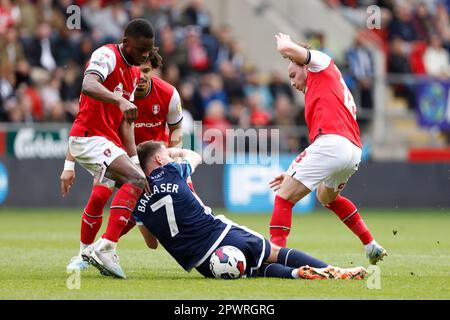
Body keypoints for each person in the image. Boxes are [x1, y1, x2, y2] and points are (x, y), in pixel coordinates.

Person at [131, 141, 368, 280]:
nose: (169, 157)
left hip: (202, 262)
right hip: (219, 234)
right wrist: (177, 152)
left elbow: (152, 244)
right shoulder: (172, 171)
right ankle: (331, 271)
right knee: (273, 251)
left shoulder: (137, 202)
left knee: (255, 269)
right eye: (165, 154)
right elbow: (196, 156)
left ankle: (295, 275)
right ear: (160, 160)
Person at [62, 48, 186, 275]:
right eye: (139, 69)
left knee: (153, 241)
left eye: (147, 70)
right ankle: (87, 253)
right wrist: (69, 165)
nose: (142, 75)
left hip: (152, 162)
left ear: (154, 71)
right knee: (99, 195)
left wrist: (172, 154)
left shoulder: (168, 94)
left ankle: (104, 247)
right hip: (115, 154)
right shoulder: (116, 89)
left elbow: (176, 128)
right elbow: (85, 123)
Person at [269, 33, 387, 265]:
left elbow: (289, 48)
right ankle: (370, 245)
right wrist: (298, 174)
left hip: (333, 145)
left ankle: (274, 257)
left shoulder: (321, 63)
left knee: (284, 197)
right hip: (352, 151)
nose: (292, 82)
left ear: (304, 65)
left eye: (293, 75)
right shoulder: (326, 83)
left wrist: (283, 44)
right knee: (327, 197)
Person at [60, 19, 155, 279]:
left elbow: (127, 122)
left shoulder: (135, 73)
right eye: (141, 50)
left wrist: (134, 159)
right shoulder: (106, 54)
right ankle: (106, 248)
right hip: (88, 138)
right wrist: (118, 99)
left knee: (123, 185)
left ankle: (84, 255)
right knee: (136, 180)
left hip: (108, 142)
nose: (145, 55)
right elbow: (88, 85)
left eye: (149, 50)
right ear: (127, 43)